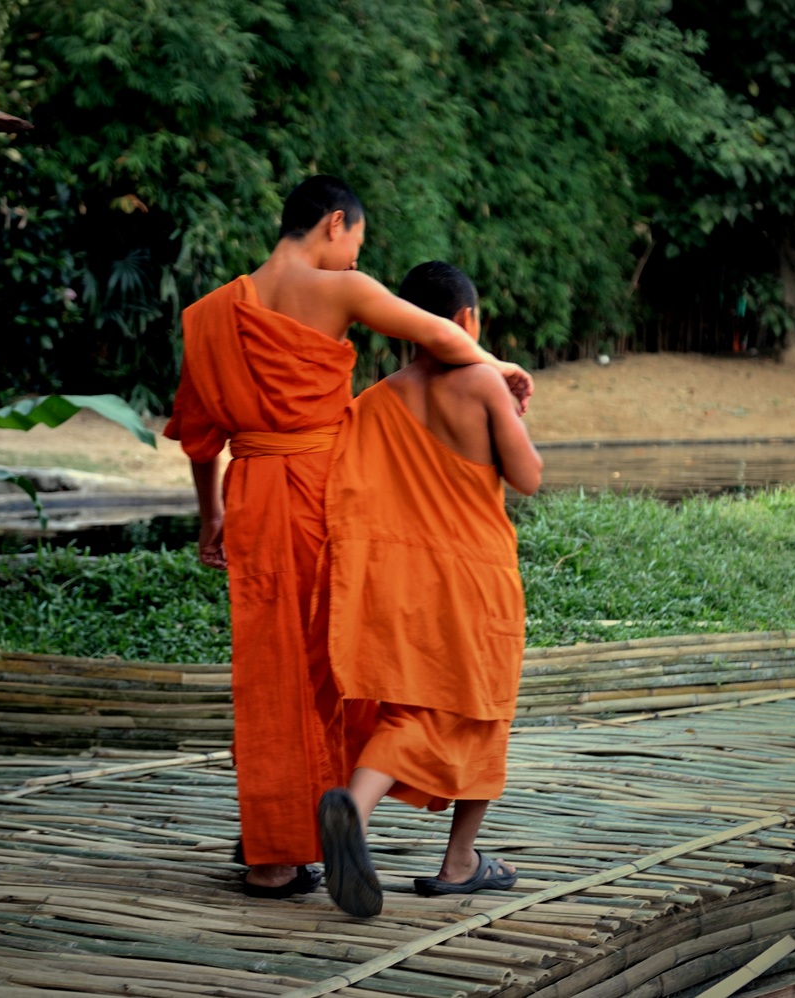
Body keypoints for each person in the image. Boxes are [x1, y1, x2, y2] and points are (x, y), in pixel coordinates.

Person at [164, 177, 532, 898]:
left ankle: (273, 853)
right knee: (340, 665)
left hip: (251, 496)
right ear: (336, 224)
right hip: (329, 497)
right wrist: (498, 367)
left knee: (268, 674)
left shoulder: (209, 314)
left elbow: (198, 434)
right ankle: (330, 816)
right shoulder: (341, 288)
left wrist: (210, 515)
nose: (352, 258)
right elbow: (434, 333)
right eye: (355, 243)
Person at [315, 261, 542, 917]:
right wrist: (515, 412)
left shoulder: (380, 399)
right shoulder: (481, 382)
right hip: (477, 577)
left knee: (412, 711)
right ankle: (460, 861)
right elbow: (526, 476)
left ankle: (353, 806)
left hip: (406, 584)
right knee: (486, 709)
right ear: (468, 321)